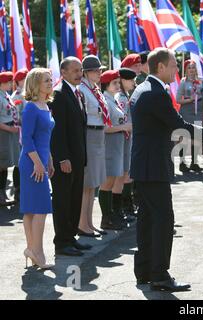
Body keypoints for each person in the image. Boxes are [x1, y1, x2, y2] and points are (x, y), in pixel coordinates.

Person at [130, 47, 203, 291]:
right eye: (174, 66)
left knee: (147, 219)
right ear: (161, 67)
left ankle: (145, 271)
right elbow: (179, 125)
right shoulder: (155, 93)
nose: (177, 70)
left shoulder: (143, 88)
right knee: (163, 220)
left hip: (145, 164)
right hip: (153, 165)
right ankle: (159, 275)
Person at [50, 57, 90, 257]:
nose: (79, 73)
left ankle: (70, 237)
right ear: (63, 72)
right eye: (74, 70)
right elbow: (57, 132)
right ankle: (61, 242)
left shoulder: (77, 93)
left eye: (80, 69)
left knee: (75, 200)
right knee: (63, 200)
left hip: (78, 157)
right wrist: (62, 158)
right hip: (65, 160)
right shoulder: (58, 94)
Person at [20, 68, 55, 269]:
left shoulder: (45, 105)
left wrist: (49, 159)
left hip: (40, 160)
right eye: (45, 81)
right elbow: (27, 139)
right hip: (31, 163)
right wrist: (39, 163)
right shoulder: (31, 108)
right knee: (39, 208)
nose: (50, 83)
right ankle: (37, 251)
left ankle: (31, 249)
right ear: (35, 84)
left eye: (50, 80)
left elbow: (45, 137)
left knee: (33, 209)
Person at [97, 70, 133, 232]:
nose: (118, 86)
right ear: (106, 84)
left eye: (118, 83)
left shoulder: (113, 99)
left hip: (119, 143)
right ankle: (107, 217)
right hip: (110, 143)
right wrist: (123, 127)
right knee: (108, 182)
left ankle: (114, 214)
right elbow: (104, 127)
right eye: (115, 83)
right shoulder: (105, 100)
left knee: (115, 179)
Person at [79, 55, 109, 236]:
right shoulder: (82, 89)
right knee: (87, 183)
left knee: (93, 184)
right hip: (89, 133)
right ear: (87, 72)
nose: (99, 73)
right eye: (96, 70)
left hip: (98, 133)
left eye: (100, 70)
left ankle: (89, 222)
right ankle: (82, 223)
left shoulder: (94, 89)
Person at [176, 60, 203, 172]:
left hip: (198, 111)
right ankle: (182, 163)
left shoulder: (202, 81)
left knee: (197, 137)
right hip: (186, 111)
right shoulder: (183, 82)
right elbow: (178, 99)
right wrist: (189, 100)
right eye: (189, 68)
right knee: (184, 137)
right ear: (186, 70)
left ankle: (194, 163)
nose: (191, 70)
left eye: (193, 67)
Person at [116, 68, 138, 219]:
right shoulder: (121, 98)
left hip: (128, 136)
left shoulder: (126, 95)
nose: (133, 83)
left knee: (128, 173)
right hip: (124, 137)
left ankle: (127, 205)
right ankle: (125, 206)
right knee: (125, 174)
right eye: (131, 80)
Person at [0, 72, 20, 206]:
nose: (10, 84)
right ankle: (1, 193)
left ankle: (6, 193)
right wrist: (9, 129)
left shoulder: (6, 95)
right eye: (7, 82)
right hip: (3, 132)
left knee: (8, 162)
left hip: (10, 131)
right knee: (1, 164)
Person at [10, 68, 29, 204]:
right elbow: (17, 117)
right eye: (25, 78)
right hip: (21, 131)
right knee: (19, 162)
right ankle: (18, 190)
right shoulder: (17, 96)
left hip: (27, 131)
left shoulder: (26, 93)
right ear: (19, 81)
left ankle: (25, 189)